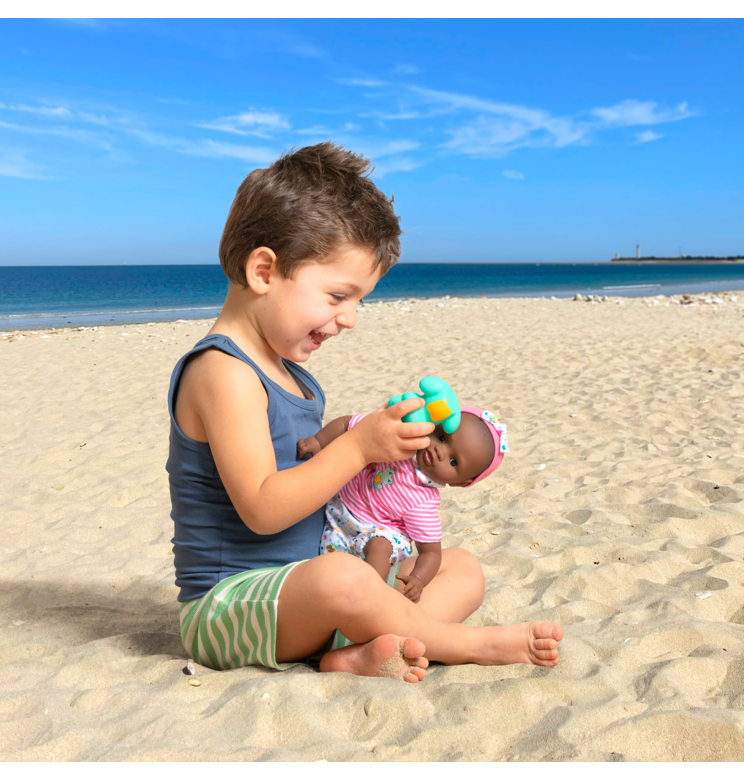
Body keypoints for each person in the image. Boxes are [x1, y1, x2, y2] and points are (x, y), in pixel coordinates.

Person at [167, 142, 563, 683]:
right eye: (337, 296)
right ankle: (466, 645)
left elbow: (327, 492)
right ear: (264, 270)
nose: (349, 318)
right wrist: (357, 448)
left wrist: (387, 461)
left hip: (311, 584)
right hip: (230, 606)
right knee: (342, 580)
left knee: (461, 568)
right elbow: (262, 507)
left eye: (360, 301)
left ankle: (347, 656)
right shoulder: (223, 372)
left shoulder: (291, 372)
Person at [298, 407, 508, 604]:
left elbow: (431, 553)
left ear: (460, 482)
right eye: (442, 437)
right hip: (341, 508)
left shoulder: (423, 502)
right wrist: (319, 441)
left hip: (378, 531)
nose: (439, 451)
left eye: (453, 462)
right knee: (324, 570)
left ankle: (368, 596)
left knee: (380, 547)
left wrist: (418, 579)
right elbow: (349, 425)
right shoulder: (398, 444)